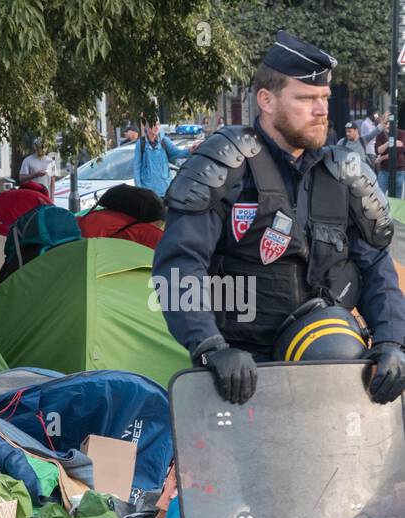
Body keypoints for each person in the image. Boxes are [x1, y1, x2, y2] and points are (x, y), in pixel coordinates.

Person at [153, 30, 405, 407]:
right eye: (306, 99)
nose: (321, 109)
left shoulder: (344, 176)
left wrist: (391, 341)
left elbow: (377, 272)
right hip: (243, 380)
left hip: (331, 373)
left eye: (324, 98)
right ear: (266, 101)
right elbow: (178, 268)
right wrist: (209, 346)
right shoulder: (226, 167)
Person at [131, 117, 191, 197]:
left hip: (164, 191)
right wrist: (139, 190)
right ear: (146, 126)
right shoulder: (141, 143)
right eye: (153, 124)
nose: (157, 127)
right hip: (147, 193)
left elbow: (177, 153)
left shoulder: (164, 141)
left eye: (158, 124)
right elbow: (136, 168)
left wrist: (190, 150)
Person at [373, 117, 405, 198]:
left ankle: (394, 211)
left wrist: (381, 158)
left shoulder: (402, 133)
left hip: (398, 169)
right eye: (386, 123)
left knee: (396, 197)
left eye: (390, 123)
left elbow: (399, 151)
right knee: (380, 196)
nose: (387, 125)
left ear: (395, 124)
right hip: (384, 170)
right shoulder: (380, 135)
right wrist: (389, 142)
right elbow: (378, 151)